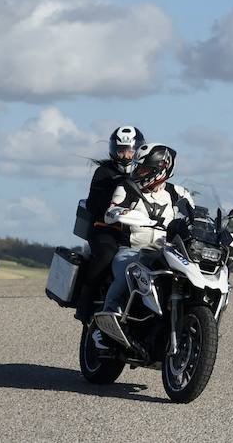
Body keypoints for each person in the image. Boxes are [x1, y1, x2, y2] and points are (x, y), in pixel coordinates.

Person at [93, 142, 193, 346]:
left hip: (166, 253)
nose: (139, 171)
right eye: (139, 166)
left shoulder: (179, 194)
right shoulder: (127, 187)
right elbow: (111, 212)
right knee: (126, 273)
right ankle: (104, 325)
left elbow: (195, 218)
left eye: (145, 168)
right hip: (131, 250)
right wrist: (130, 215)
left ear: (161, 169)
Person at [76, 125, 141, 324]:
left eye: (130, 150)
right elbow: (95, 204)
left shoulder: (143, 173)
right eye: (121, 150)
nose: (126, 155)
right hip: (104, 229)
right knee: (106, 255)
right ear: (114, 150)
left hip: (133, 232)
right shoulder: (103, 173)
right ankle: (84, 305)